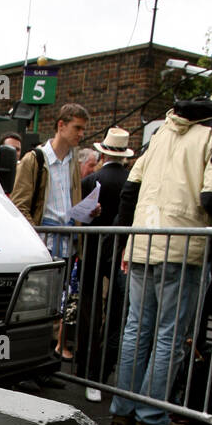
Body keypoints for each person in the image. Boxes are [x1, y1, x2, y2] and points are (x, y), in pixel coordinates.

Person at [109, 73, 212, 425]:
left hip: (141, 241)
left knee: (137, 329)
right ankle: (152, 416)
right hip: (183, 246)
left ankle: (122, 408)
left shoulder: (165, 128)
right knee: (169, 334)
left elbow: (130, 190)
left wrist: (125, 240)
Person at [74, 127, 134, 396]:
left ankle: (85, 370)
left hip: (94, 250)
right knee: (116, 315)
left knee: (89, 310)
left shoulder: (93, 180)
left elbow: (79, 217)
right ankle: (101, 373)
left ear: (102, 152)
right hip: (122, 252)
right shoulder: (133, 181)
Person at [10, 103, 89, 262]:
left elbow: (70, 205)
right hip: (43, 247)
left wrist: (87, 211)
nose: (81, 134)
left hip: (68, 247)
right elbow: (19, 205)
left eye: (83, 129)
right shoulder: (33, 160)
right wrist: (37, 240)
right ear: (61, 125)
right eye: (77, 128)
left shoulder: (73, 162)